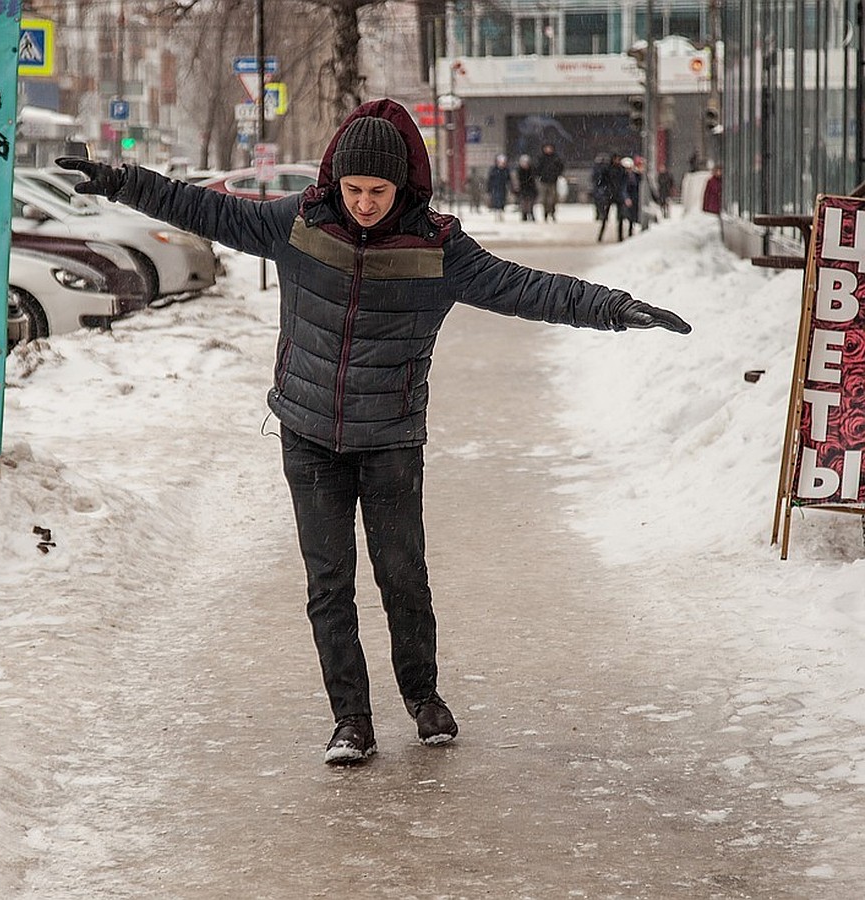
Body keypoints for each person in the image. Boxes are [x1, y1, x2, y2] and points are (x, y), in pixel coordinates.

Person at [57, 98, 691, 767]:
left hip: (389, 439)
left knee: (402, 577)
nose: (364, 203)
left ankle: (423, 697)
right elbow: (207, 210)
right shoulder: (298, 225)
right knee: (329, 584)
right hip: (308, 436)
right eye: (354, 190)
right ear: (338, 183)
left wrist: (615, 309)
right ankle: (351, 720)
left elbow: (526, 288)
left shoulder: (439, 249)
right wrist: (126, 183)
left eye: (378, 191)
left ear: (403, 187)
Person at [592, 152, 619, 242]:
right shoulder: (607, 170)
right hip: (609, 194)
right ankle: (600, 235)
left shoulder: (619, 170)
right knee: (605, 216)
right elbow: (600, 180)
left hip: (615, 194)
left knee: (619, 217)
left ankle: (619, 236)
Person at [535, 143, 565, 222]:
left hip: (553, 181)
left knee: (552, 199)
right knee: (544, 198)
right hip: (544, 181)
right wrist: (540, 175)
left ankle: (552, 213)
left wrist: (556, 174)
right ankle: (545, 213)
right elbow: (537, 168)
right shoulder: (541, 158)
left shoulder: (555, 158)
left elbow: (560, 167)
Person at [618, 156, 641, 239]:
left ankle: (630, 233)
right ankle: (620, 236)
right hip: (625, 199)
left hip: (633, 198)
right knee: (622, 217)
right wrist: (626, 198)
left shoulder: (635, 175)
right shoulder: (623, 176)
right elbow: (623, 188)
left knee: (631, 217)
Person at [486, 154, 510, 221]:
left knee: (502, 201)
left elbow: (508, 179)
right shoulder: (494, 170)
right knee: (496, 201)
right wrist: (489, 189)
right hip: (495, 188)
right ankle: (496, 214)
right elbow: (490, 180)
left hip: (503, 188)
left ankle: (501, 214)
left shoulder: (506, 170)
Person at [514, 154, 538, 222]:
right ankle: (524, 215)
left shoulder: (532, 170)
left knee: (530, 203)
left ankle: (531, 214)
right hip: (523, 189)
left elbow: (534, 181)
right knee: (523, 203)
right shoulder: (519, 171)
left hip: (530, 188)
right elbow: (517, 181)